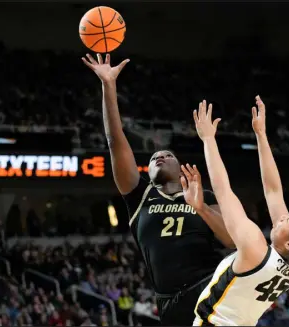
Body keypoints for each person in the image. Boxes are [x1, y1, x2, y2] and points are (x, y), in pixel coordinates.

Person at [82, 53, 235, 326]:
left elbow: (233, 241)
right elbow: (115, 140)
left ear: (181, 167)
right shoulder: (140, 196)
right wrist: (108, 86)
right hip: (168, 301)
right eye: (153, 159)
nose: (159, 157)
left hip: (209, 287)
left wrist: (200, 207)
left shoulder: (206, 195)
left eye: (166, 156)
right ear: (147, 173)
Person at [191, 98, 289, 326]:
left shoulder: (255, 247)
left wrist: (207, 139)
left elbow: (223, 191)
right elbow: (273, 191)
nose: (283, 216)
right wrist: (262, 136)